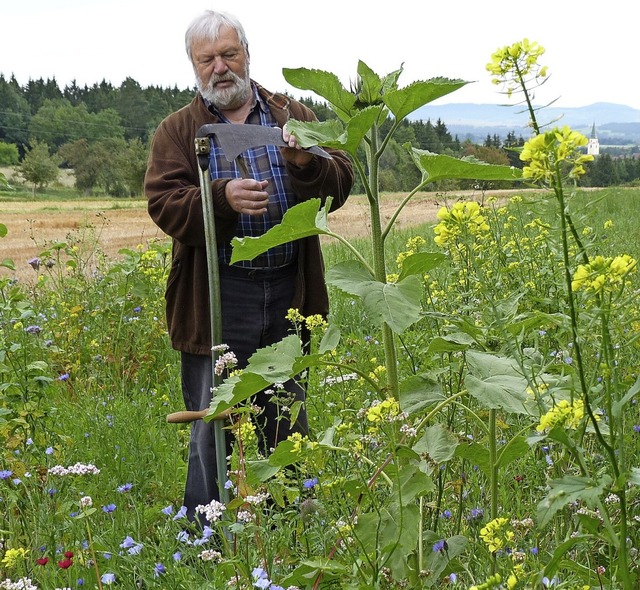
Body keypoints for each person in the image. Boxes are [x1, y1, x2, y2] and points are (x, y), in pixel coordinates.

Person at [144, 9, 353, 523]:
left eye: (229, 54)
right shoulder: (179, 130)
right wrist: (221, 198)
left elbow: (343, 179)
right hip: (217, 298)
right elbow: (164, 203)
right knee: (214, 420)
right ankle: (206, 535)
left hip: (290, 294)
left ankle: (286, 527)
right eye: (207, 59)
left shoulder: (292, 115)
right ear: (194, 67)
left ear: (247, 55)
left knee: (286, 416)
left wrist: (308, 165)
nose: (220, 68)